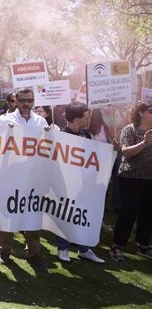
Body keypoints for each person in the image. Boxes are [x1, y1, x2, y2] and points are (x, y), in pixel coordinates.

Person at [0, 88, 49, 270]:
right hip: (9, 175)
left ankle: (33, 252)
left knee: (32, 213)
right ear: (15, 100)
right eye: (23, 100)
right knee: (8, 213)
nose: (26, 104)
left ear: (34, 101)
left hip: (33, 176)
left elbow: (47, 148)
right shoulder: (2, 121)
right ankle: (5, 250)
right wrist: (5, 134)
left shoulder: (41, 122)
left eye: (29, 100)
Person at [54, 102, 105, 263]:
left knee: (84, 216)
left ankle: (84, 249)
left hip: (85, 185)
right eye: (86, 117)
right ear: (76, 119)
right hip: (67, 185)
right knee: (66, 216)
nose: (89, 120)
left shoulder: (86, 135)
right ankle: (63, 248)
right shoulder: (62, 136)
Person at [110, 101, 152, 262]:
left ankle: (143, 246)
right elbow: (125, 152)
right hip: (131, 178)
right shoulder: (130, 130)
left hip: (150, 179)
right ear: (141, 113)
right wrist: (144, 142)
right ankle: (117, 246)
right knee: (129, 212)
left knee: (148, 213)